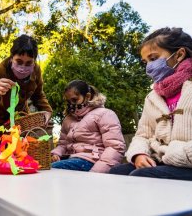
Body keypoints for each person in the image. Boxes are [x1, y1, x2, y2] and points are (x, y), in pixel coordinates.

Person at [109, 27, 192, 181]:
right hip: (164, 160)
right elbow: (143, 135)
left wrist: (170, 154)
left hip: (185, 162)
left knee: (142, 177)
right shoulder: (153, 97)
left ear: (179, 54)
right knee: (117, 173)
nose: (148, 67)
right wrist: (139, 154)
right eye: (145, 62)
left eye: (153, 59)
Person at [0, 35, 53, 134]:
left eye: (28, 63)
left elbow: (39, 95)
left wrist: (47, 110)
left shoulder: (36, 71)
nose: (23, 67)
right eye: (19, 62)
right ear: (11, 58)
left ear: (34, 61)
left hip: (22, 124)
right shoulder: (0, 70)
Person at [51, 80, 126, 173]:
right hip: (71, 159)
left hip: (93, 161)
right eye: (68, 101)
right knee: (44, 168)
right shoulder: (68, 119)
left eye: (74, 100)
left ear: (87, 96)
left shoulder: (105, 114)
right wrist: (57, 153)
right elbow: (63, 144)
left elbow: (115, 147)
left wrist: (96, 172)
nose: (71, 104)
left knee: (53, 169)